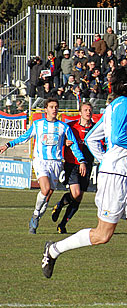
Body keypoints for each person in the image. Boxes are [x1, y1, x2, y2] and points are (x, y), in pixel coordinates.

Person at [39, 66, 127, 301]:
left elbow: (93, 137)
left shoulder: (116, 106)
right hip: (116, 178)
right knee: (103, 235)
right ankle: (53, 250)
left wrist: (105, 158)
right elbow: (117, 138)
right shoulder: (123, 104)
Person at [0, 98, 87, 234]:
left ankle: (36, 220)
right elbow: (25, 137)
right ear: (45, 109)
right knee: (45, 189)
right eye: (51, 107)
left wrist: (81, 160)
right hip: (41, 161)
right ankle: (35, 214)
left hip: (56, 163)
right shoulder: (38, 124)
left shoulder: (64, 127)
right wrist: (8, 144)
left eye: (56, 107)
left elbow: (74, 144)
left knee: (48, 195)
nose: (54, 109)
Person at [51, 102, 96, 234]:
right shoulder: (71, 127)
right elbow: (58, 139)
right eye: (85, 110)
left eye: (90, 110)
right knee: (75, 194)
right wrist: (63, 142)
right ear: (80, 113)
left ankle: (63, 224)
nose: (88, 112)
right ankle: (60, 204)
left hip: (87, 165)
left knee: (78, 198)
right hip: (73, 164)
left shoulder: (96, 128)